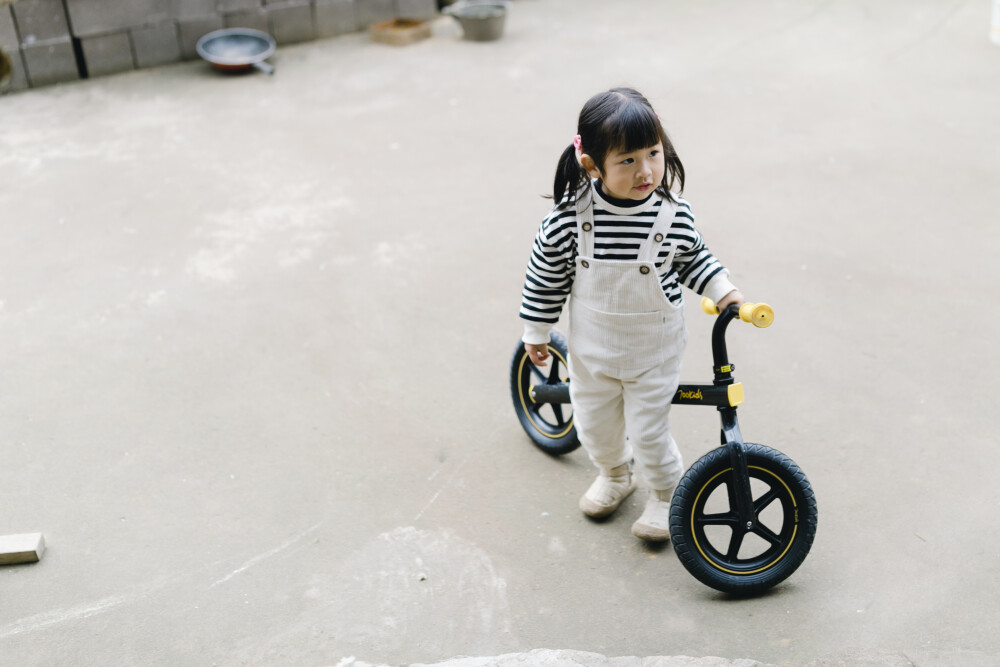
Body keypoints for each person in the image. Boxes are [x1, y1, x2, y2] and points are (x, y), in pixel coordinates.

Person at [518, 87, 744, 542]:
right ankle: (616, 475)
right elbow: (545, 278)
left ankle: (664, 494)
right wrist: (537, 331)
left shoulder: (671, 216)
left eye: (653, 154)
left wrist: (724, 292)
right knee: (594, 426)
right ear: (592, 165)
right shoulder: (569, 220)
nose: (646, 171)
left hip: (652, 352)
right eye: (627, 161)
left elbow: (694, 259)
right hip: (591, 351)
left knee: (649, 433)